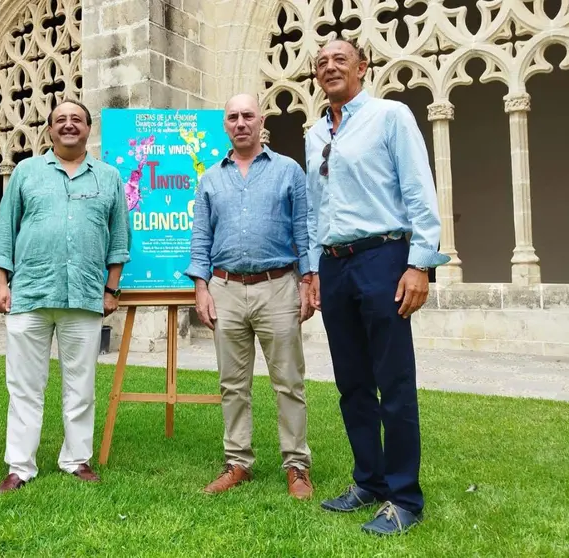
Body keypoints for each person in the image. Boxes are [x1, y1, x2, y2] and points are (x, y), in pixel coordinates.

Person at [305, 39, 448, 535]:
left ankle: (405, 498)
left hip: (384, 257)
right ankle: (369, 480)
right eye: (321, 63)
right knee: (352, 382)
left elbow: (419, 190)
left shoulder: (391, 116)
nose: (329, 67)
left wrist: (420, 265)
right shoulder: (313, 132)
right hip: (334, 264)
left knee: (394, 382)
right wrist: (312, 270)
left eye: (339, 59)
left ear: (362, 68)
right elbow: (313, 209)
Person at [0, 99, 131, 493]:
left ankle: (76, 459)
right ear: (49, 130)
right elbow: (5, 230)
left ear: (89, 129)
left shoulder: (108, 177)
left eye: (77, 120)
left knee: (81, 384)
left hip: (85, 295)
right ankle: (20, 465)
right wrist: (2, 282)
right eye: (60, 120)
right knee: (24, 385)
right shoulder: (27, 172)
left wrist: (111, 288)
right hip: (30, 293)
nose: (69, 125)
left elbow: (119, 237)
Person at [186, 93, 315, 500]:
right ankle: (237, 462)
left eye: (248, 116)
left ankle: (296, 465)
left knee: (288, 382)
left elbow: (304, 228)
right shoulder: (210, 178)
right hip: (224, 288)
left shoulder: (288, 171)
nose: (241, 123)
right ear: (225, 125)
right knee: (232, 383)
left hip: (277, 286)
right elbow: (201, 238)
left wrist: (309, 279)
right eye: (233, 117)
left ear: (261, 121)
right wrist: (201, 287)